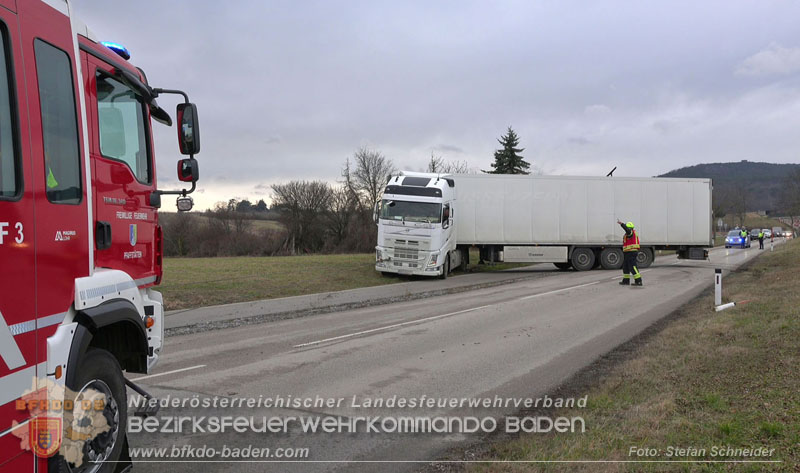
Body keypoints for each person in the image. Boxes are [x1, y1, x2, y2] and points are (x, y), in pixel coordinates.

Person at [617, 220, 642, 286]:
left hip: (632, 252)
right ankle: (626, 281)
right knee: (625, 267)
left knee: (633, 267)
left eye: (627, 227)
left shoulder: (630, 233)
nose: (626, 229)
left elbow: (627, 230)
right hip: (627, 252)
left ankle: (638, 281)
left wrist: (622, 224)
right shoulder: (628, 234)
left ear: (630, 228)